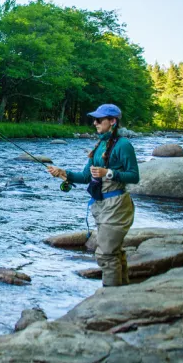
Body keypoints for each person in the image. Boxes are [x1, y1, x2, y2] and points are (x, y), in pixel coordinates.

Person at [47, 103, 139, 286]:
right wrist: (63, 172)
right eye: (94, 120)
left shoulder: (124, 145)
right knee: (114, 252)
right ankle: (122, 293)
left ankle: (110, 296)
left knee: (105, 254)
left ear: (112, 121)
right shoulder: (99, 146)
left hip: (117, 205)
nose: (95, 123)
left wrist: (109, 173)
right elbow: (85, 177)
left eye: (99, 120)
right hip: (101, 205)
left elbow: (134, 176)